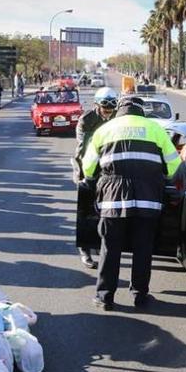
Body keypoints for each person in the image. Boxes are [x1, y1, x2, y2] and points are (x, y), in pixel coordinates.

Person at [82, 98, 181, 310]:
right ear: (140, 111)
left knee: (110, 248)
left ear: (120, 110)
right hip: (148, 200)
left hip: (113, 200)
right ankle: (140, 296)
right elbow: (174, 166)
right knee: (143, 249)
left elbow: (88, 168)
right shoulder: (155, 129)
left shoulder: (105, 129)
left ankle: (104, 297)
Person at [74, 87, 118, 270]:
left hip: (109, 170)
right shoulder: (86, 120)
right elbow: (83, 149)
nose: (108, 113)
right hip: (88, 168)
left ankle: (101, 243)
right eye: (104, 109)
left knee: (106, 211)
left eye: (111, 110)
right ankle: (85, 248)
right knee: (86, 212)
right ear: (96, 105)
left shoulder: (117, 118)